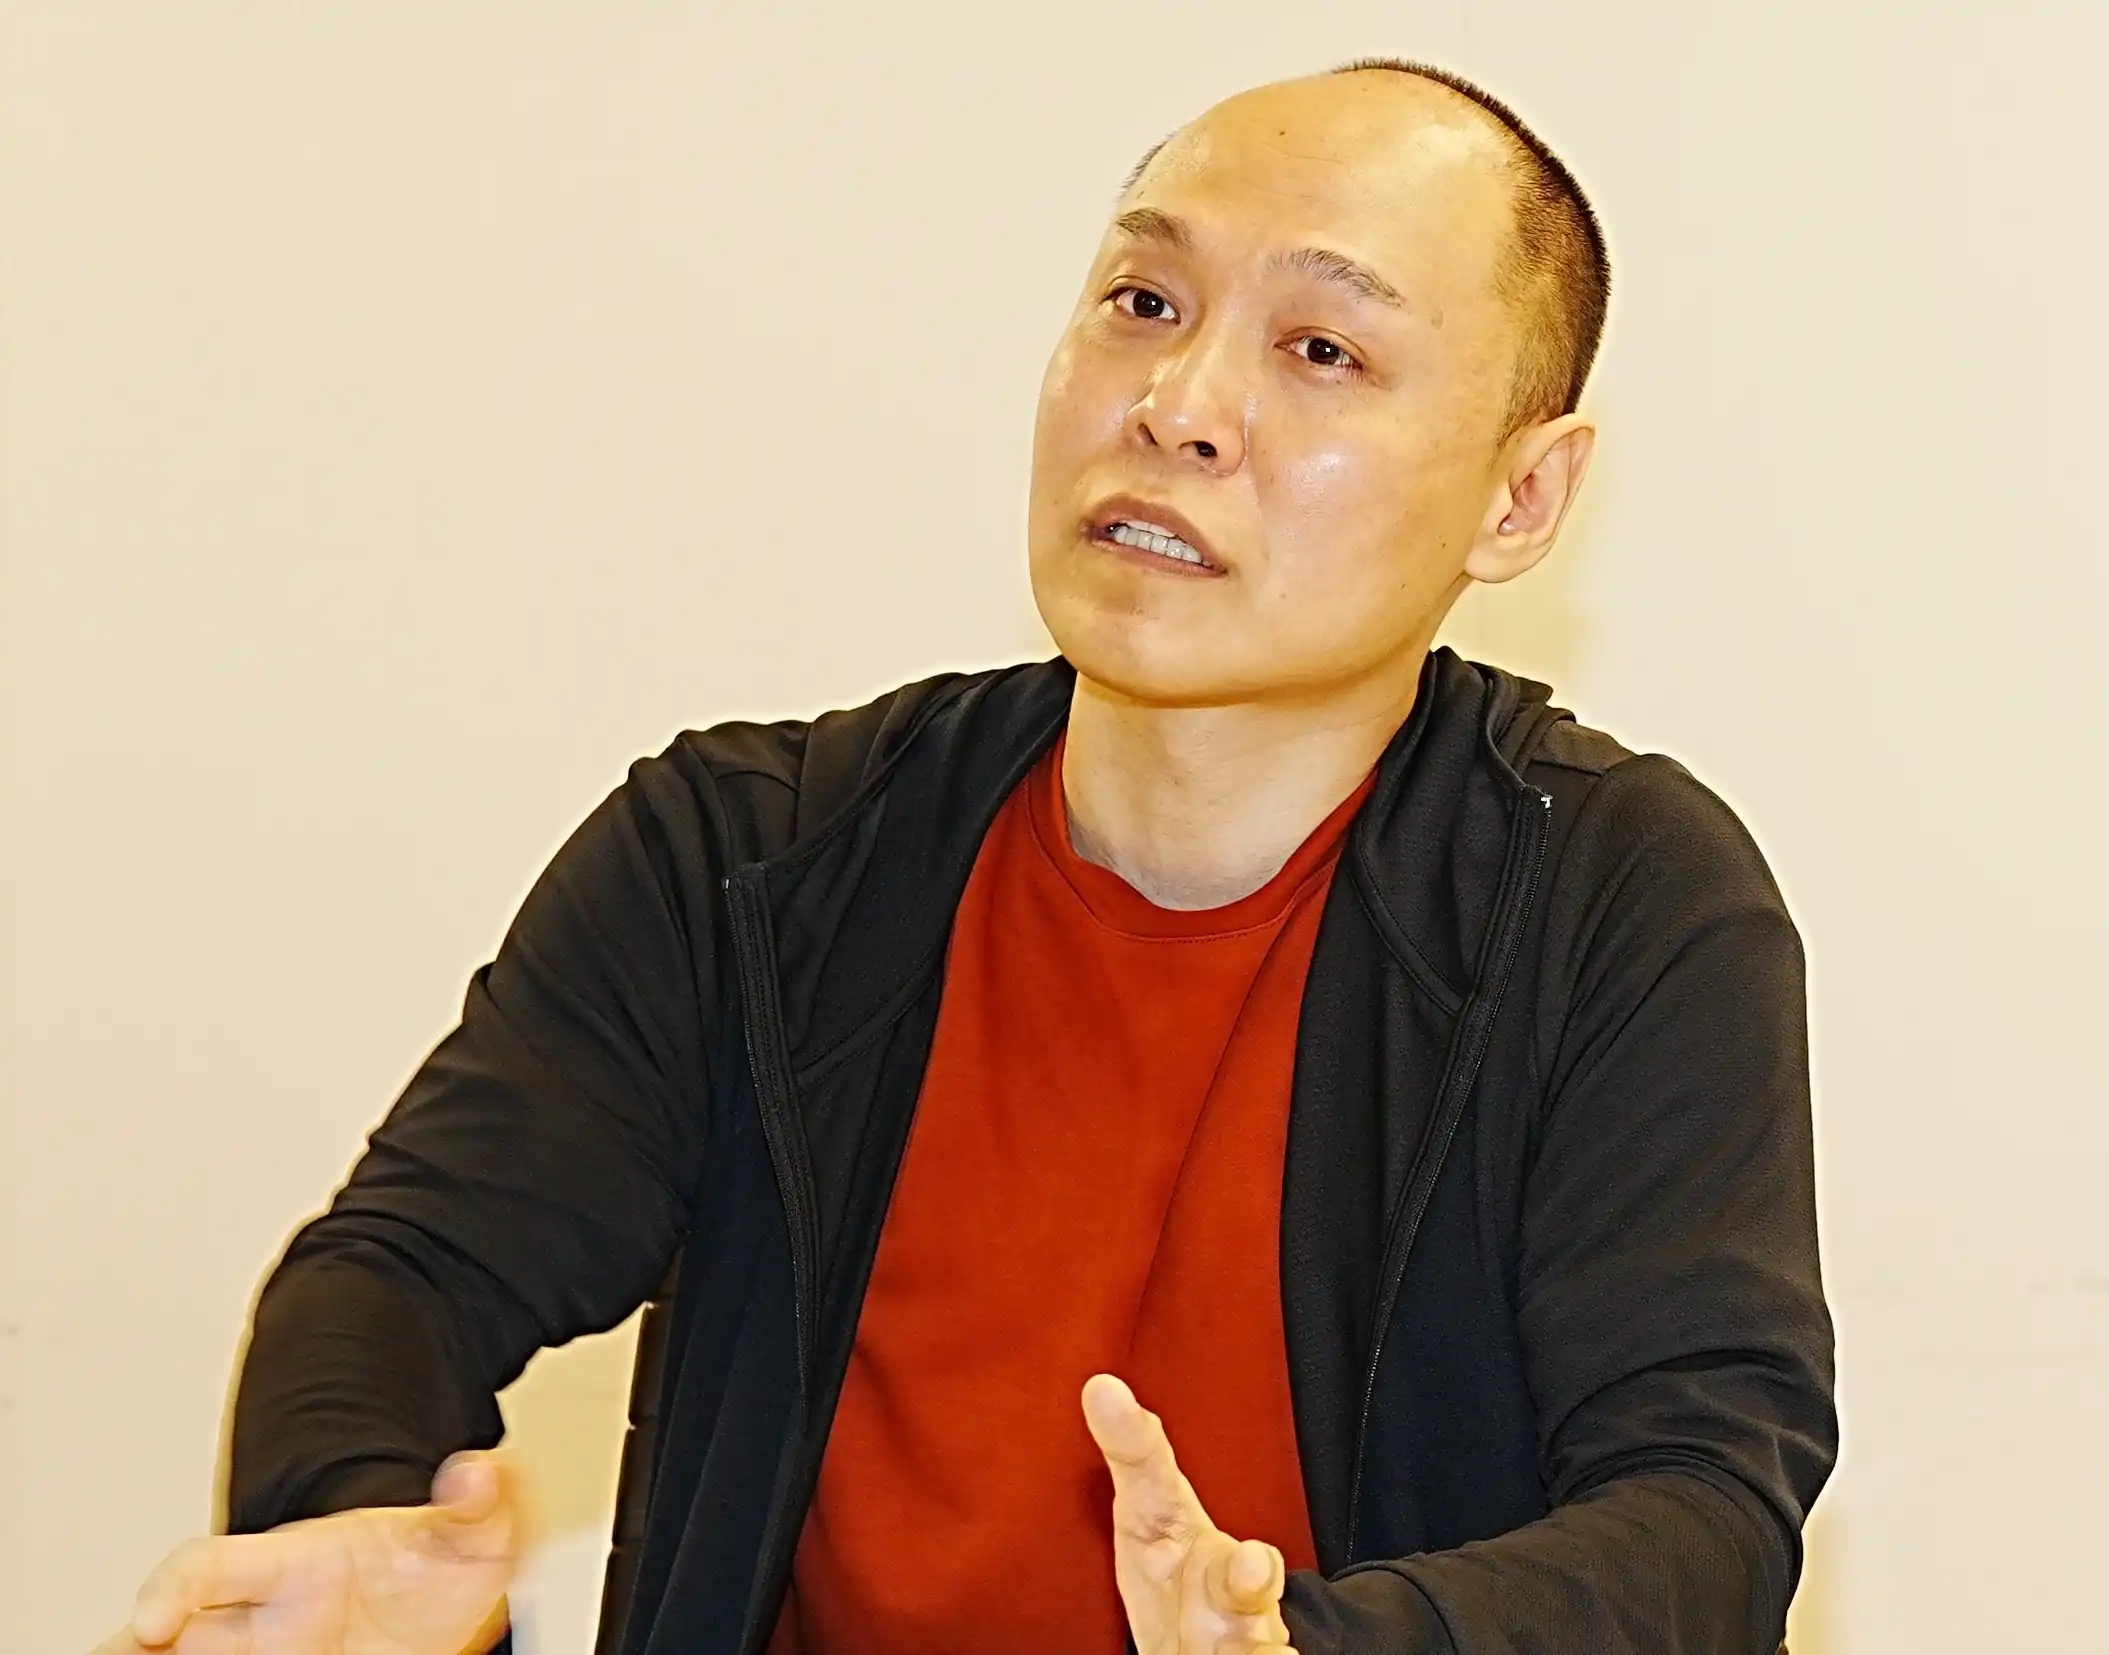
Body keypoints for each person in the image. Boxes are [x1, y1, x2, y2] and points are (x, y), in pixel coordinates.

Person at [97, 56, 1835, 1655]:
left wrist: (1322, 1642)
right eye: (1144, 302)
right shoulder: (748, 860)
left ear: (1520, 500)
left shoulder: (1619, 904)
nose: (1181, 404)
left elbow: (1704, 1502)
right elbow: (400, 1272)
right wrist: (361, 1533)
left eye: (1322, 350)